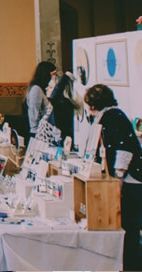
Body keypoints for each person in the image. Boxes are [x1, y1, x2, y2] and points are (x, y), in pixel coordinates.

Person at [83, 84, 142, 270]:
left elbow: (124, 149)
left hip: (131, 181)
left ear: (92, 104)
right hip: (128, 180)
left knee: (129, 227)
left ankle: (132, 265)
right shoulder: (110, 116)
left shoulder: (113, 117)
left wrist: (118, 178)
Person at [49, 68, 80, 141]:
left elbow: (54, 96)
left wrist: (65, 77)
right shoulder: (66, 102)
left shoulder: (62, 101)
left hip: (61, 134)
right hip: (66, 134)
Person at [26, 61, 55, 138]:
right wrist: (36, 133)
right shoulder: (36, 89)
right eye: (52, 74)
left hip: (42, 132)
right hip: (38, 133)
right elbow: (34, 113)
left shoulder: (40, 89)